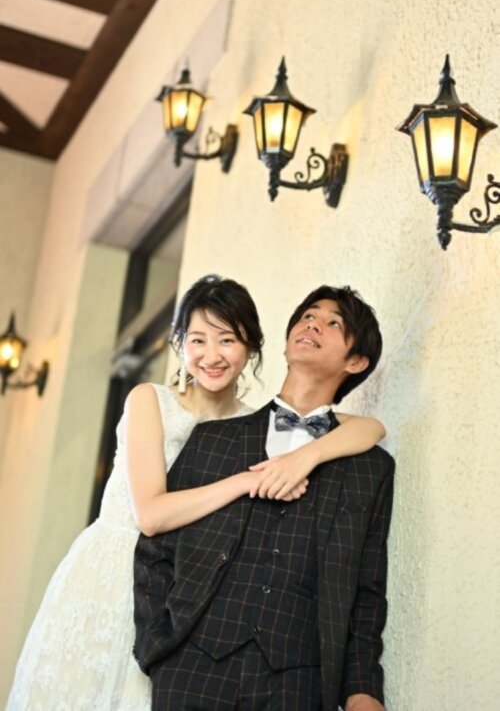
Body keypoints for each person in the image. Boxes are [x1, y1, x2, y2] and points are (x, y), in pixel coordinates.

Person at [7, 276, 385, 711]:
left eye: (227, 340)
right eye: (197, 340)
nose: (211, 355)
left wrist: (307, 456)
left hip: (190, 600)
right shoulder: (151, 400)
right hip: (114, 570)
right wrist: (247, 480)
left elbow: (368, 428)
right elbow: (151, 516)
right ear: (179, 344)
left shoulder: (248, 427)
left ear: (252, 346)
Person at [134, 284, 395, 711]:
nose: (314, 324)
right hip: (191, 668)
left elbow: (368, 588)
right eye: (308, 316)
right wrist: (158, 647)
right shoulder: (212, 438)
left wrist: (362, 689)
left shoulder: (369, 468)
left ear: (356, 361)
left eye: (334, 323)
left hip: (300, 681)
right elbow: (156, 550)